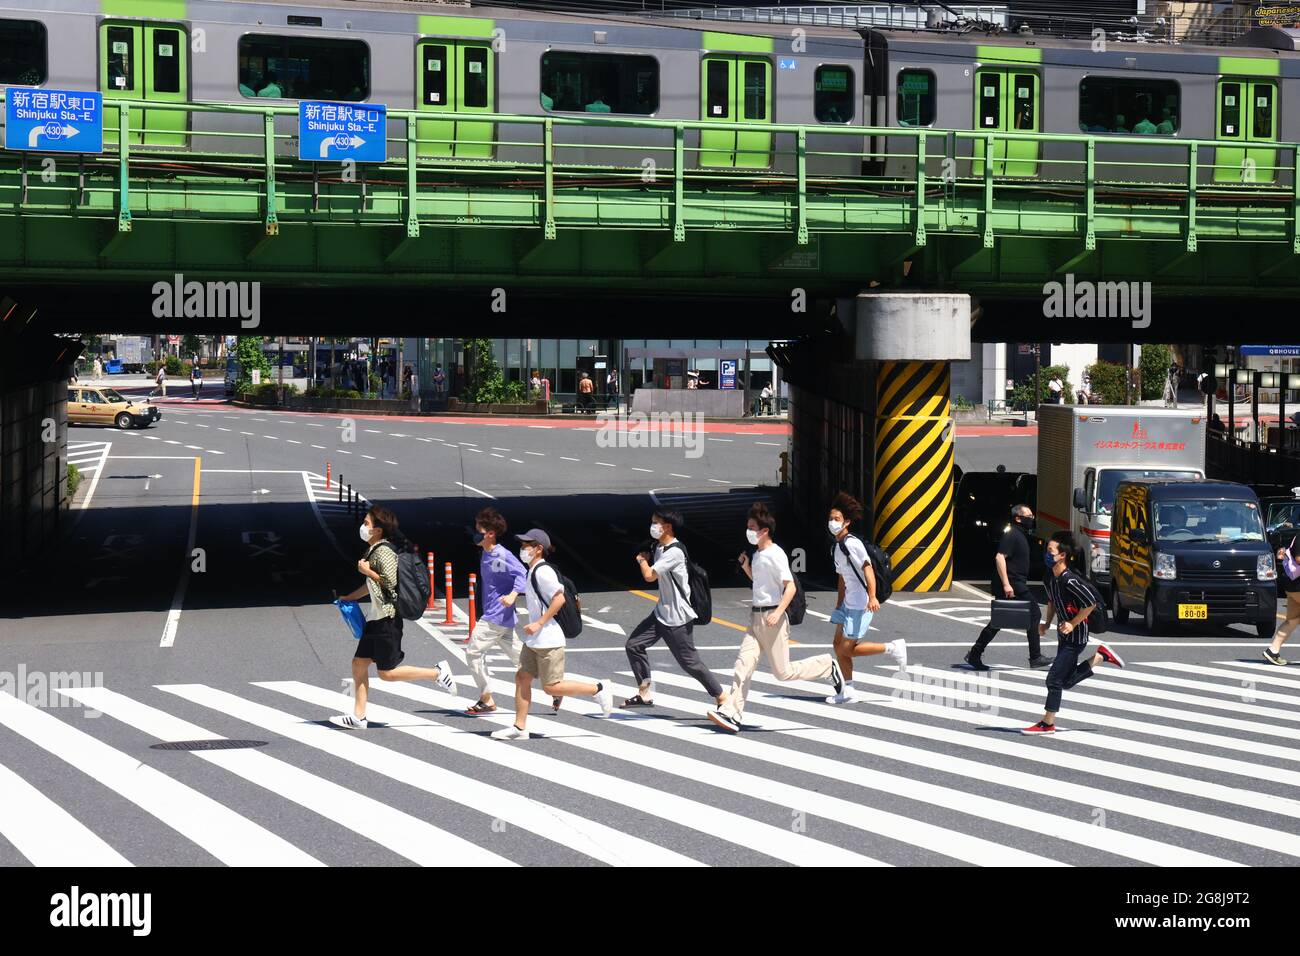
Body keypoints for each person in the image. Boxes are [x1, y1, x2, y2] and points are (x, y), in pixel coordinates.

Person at [707, 503, 844, 733]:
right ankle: (732, 713)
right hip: (756, 617)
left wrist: (778, 613)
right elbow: (759, 584)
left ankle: (827, 666)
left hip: (773, 617)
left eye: (752, 527)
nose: (748, 531)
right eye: (748, 526)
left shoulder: (775, 553)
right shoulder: (758, 554)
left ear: (764, 530)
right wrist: (746, 567)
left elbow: (789, 587)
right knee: (743, 664)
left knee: (783, 672)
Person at [330, 505, 456, 729]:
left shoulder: (385, 552)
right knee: (359, 664)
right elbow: (371, 585)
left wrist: (367, 571)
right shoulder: (373, 550)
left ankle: (437, 673)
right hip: (376, 620)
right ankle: (358, 717)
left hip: (387, 620)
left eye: (367, 524)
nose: (363, 527)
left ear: (378, 530)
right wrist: (349, 597)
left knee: (387, 673)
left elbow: (389, 583)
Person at [491, 529, 614, 739]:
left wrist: (538, 623)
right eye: (522, 546)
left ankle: (598, 688)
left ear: (538, 549)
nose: (522, 549)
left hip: (548, 639)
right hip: (534, 640)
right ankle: (519, 728)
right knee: (522, 678)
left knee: (551, 687)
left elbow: (560, 599)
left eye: (526, 546)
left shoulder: (542, 571)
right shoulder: (533, 570)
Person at [623, 510, 727, 709]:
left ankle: (722, 697)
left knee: (690, 663)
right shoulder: (661, 548)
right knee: (634, 645)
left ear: (667, 527)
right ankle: (644, 694)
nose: (652, 526)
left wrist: (642, 560)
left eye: (656, 523)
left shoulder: (675, 552)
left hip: (677, 618)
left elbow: (649, 576)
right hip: (661, 613)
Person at [1022, 534, 1125, 734]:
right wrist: (1046, 623)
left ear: (1062, 555)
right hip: (1064, 635)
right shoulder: (1051, 577)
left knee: (1053, 680)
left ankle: (1047, 723)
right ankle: (1100, 656)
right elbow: (1051, 601)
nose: (1047, 555)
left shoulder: (1070, 581)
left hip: (1076, 637)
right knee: (1066, 681)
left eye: (1050, 552)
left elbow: (1090, 603)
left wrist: (1072, 623)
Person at [825, 492, 906, 704]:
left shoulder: (852, 544)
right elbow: (842, 578)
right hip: (847, 604)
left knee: (847, 648)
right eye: (831, 518)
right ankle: (848, 690)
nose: (832, 522)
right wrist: (838, 604)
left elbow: (867, 568)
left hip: (860, 604)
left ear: (847, 522)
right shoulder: (836, 547)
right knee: (837, 645)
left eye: (837, 519)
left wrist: (872, 597)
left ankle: (893, 648)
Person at [963, 504, 1054, 670]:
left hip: (1015, 582)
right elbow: (999, 557)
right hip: (1013, 583)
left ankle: (975, 654)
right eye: (1028, 515)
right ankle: (1035, 657)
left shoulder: (1020, 535)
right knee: (1034, 613)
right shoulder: (1012, 534)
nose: (1031, 518)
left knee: (1000, 620)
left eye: (1032, 515)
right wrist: (1006, 584)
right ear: (1018, 518)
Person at [464, 508, 528, 715]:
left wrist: (513, 595)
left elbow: (522, 573)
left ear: (490, 533)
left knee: (473, 652)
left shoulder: (500, 555)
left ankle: (487, 699)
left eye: (479, 530)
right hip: (502, 616)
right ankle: (556, 687)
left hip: (495, 615)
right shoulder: (487, 552)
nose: (475, 533)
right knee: (522, 660)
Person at [1265, 535, 1300, 665]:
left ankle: (1272, 650)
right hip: (1298, 587)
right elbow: (1298, 558)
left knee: (1292, 620)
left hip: (1293, 587)